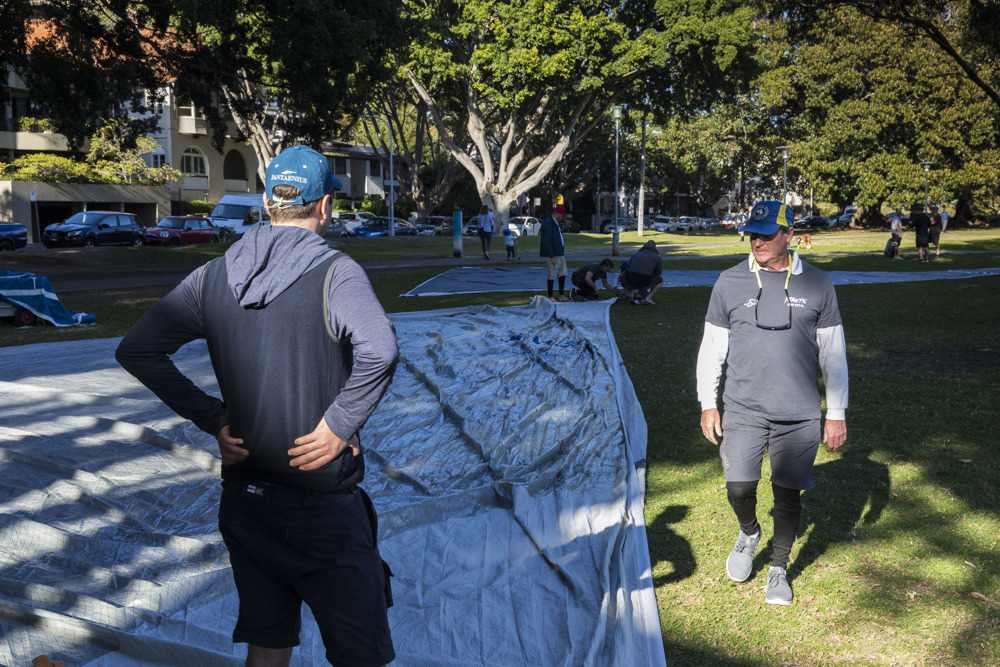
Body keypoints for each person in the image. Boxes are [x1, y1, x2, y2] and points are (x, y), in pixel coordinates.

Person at [115, 145, 398, 667]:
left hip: (247, 503)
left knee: (267, 649)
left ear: (269, 203)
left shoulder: (212, 276)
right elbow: (381, 349)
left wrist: (213, 418)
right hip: (322, 512)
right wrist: (339, 425)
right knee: (363, 658)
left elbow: (137, 349)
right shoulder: (337, 273)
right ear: (326, 205)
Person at [696, 200, 848, 606]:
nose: (756, 241)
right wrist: (707, 403)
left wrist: (835, 412)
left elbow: (833, 353)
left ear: (789, 235)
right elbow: (712, 349)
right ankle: (749, 533)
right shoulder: (728, 282)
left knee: (787, 496)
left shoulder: (818, 283)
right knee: (739, 486)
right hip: (743, 408)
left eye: (765, 234)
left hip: (798, 415)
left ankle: (779, 567)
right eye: (752, 233)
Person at [620, 239, 663, 305]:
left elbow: (627, 269)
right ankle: (648, 297)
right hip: (645, 280)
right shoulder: (657, 257)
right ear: (654, 247)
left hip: (630, 279)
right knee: (660, 281)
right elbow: (658, 273)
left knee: (621, 276)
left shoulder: (635, 254)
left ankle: (629, 293)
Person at [540, 205, 569, 302]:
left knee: (562, 273)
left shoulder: (555, 223)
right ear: (556, 214)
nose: (562, 217)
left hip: (560, 253)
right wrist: (551, 255)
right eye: (561, 215)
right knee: (552, 274)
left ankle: (561, 295)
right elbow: (547, 241)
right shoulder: (548, 223)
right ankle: (551, 296)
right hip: (553, 254)